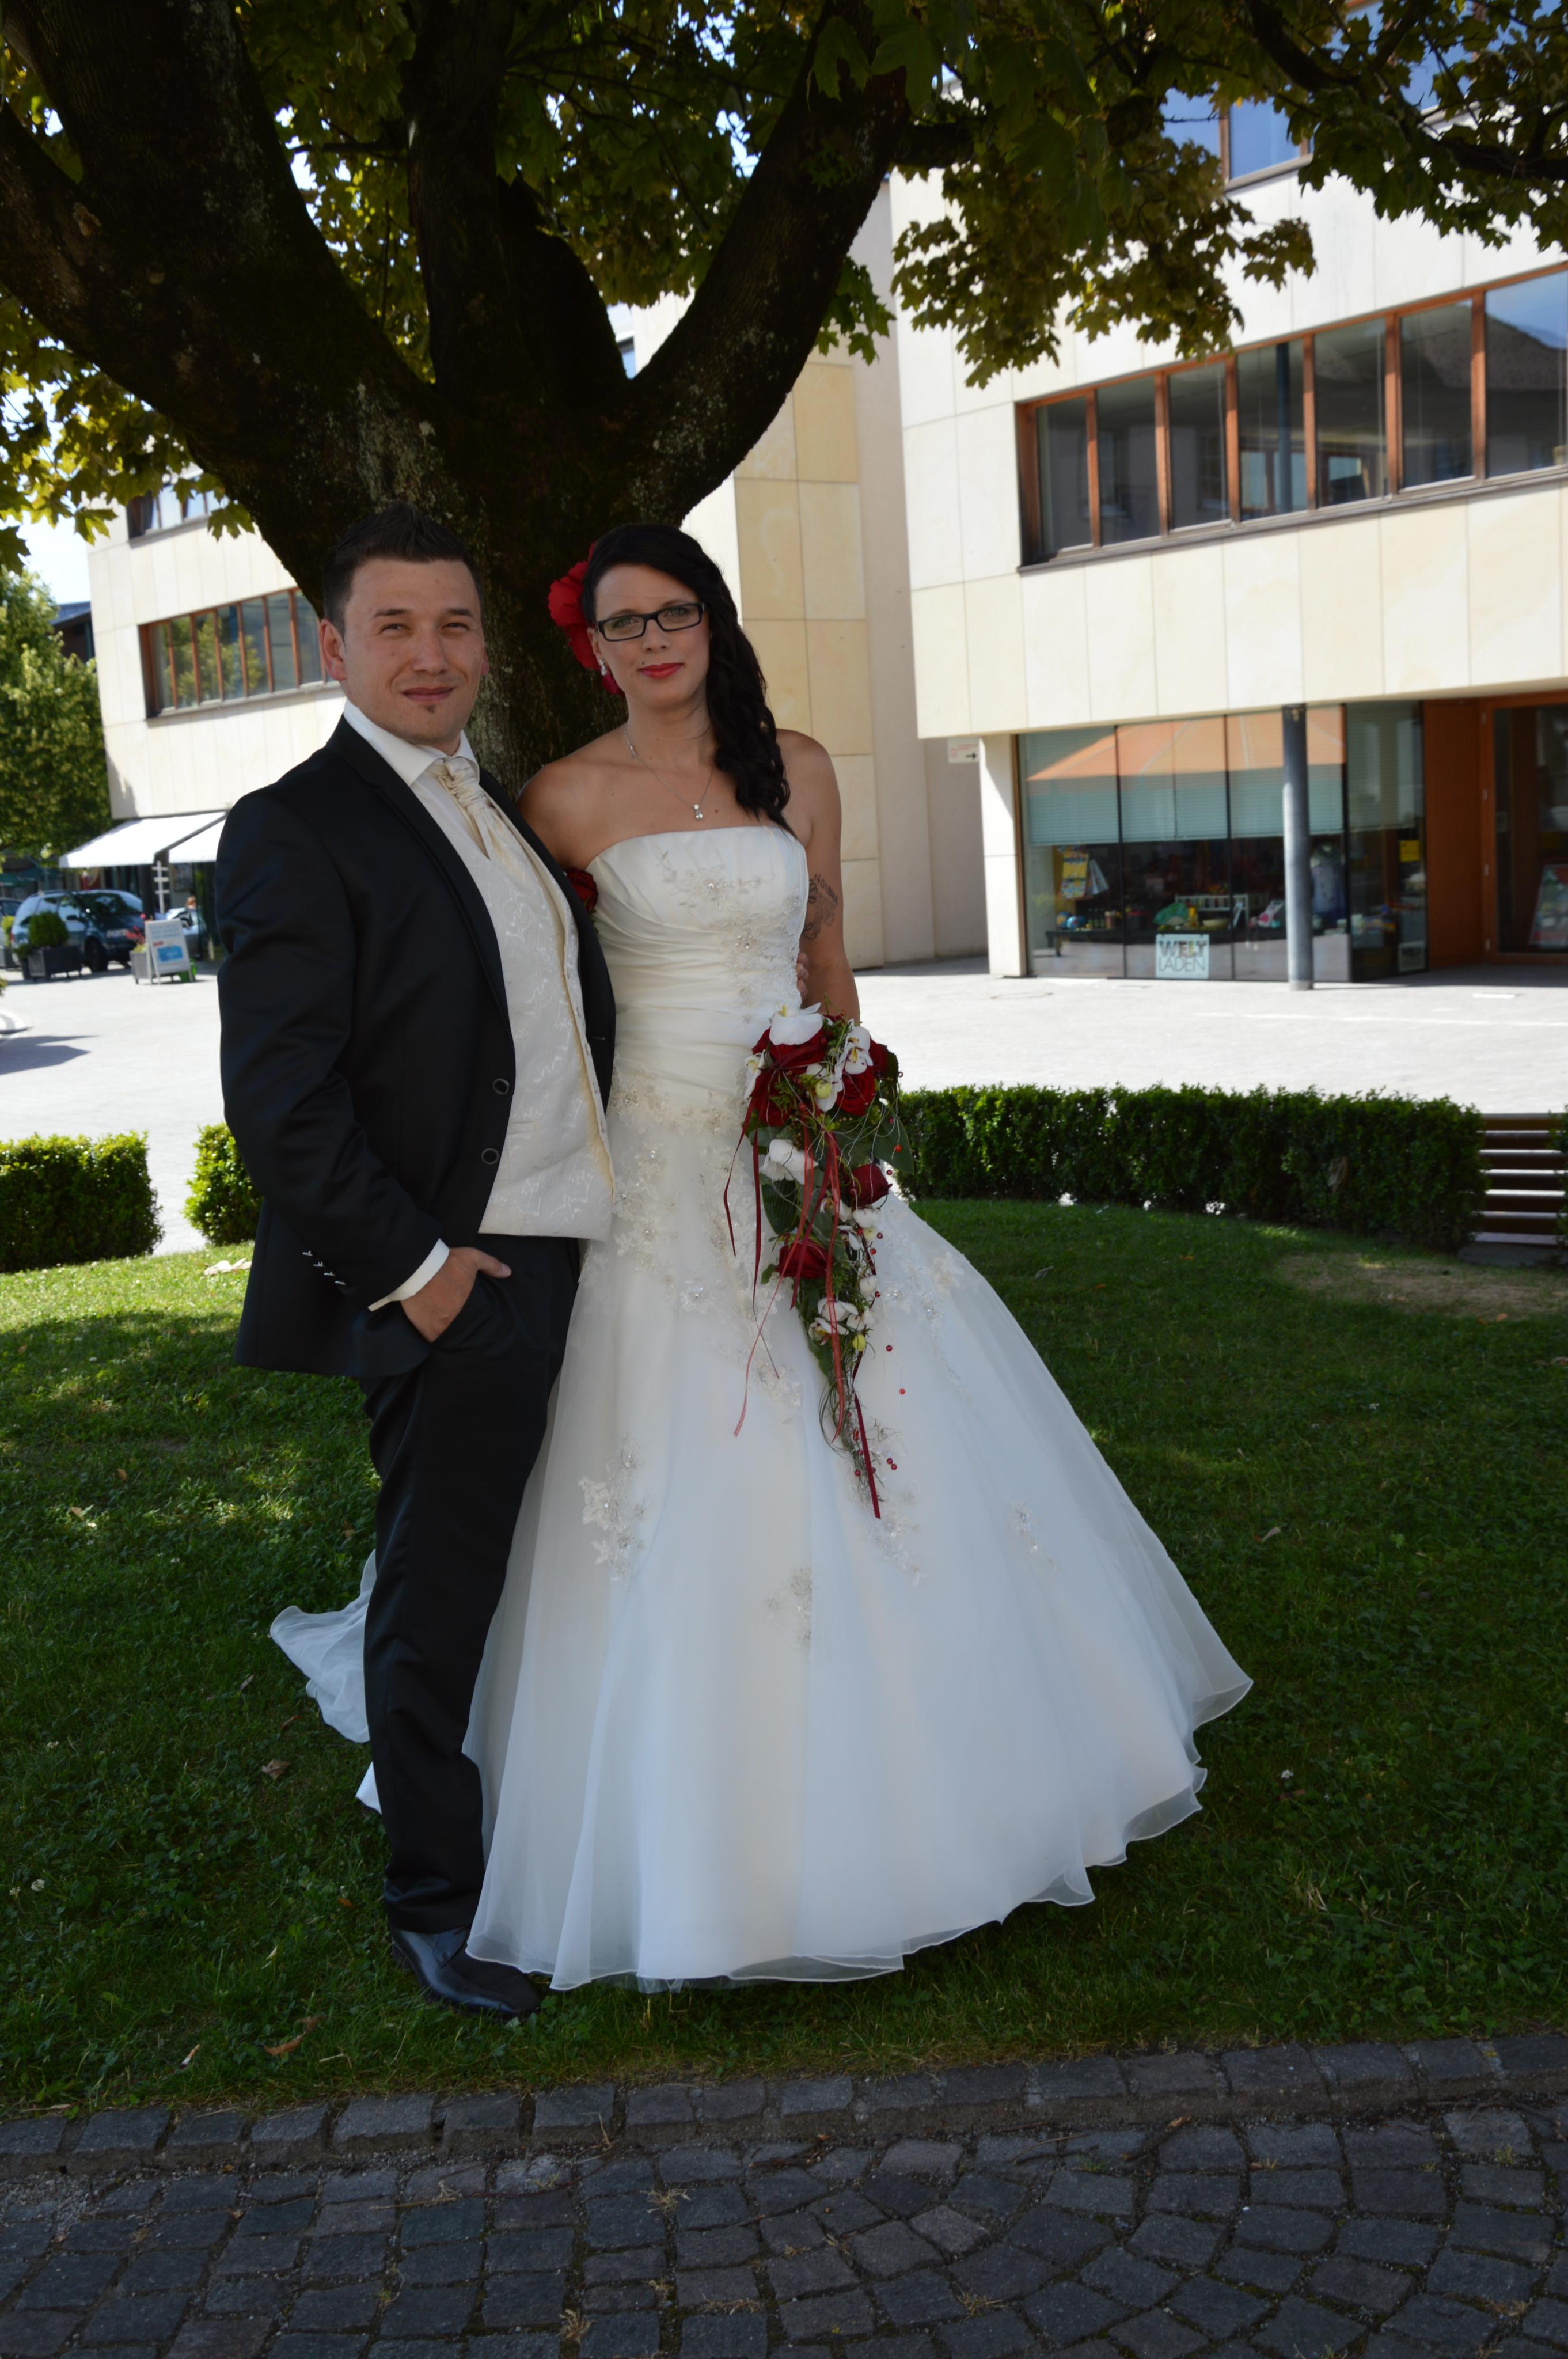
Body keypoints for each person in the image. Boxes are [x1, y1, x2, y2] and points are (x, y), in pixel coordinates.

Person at [278, 520, 1250, 1990]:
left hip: (800, 1141)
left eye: (675, 612)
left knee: (890, 1422)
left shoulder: (797, 767)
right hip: (652, 1164)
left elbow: (825, 955)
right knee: (659, 1454)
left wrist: (845, 1102)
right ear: (591, 648)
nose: (654, 641)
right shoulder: (555, 798)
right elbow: (526, 998)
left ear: (715, 620)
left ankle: (961, 1768)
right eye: (623, 623)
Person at [217, 503, 614, 2020]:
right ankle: (436, 1903)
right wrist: (421, 1272)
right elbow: (283, 1104)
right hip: (459, 1276)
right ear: (333, 647)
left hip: (570, 1249)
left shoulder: (489, 803)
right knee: (436, 1589)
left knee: (534, 1561)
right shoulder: (295, 825)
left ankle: (546, 1820)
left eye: (454, 624)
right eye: (394, 626)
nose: (429, 653)